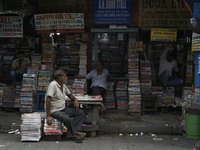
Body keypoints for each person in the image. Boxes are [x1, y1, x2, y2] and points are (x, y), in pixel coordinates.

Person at [45, 69, 86, 143]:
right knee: (66, 118)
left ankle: (72, 132)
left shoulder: (63, 86)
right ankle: (75, 133)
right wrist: (48, 115)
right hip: (54, 110)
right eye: (65, 76)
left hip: (62, 109)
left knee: (80, 112)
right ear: (60, 78)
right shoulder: (53, 85)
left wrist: (75, 99)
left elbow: (69, 95)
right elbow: (48, 100)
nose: (66, 78)